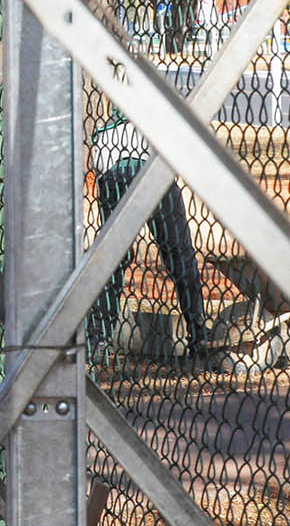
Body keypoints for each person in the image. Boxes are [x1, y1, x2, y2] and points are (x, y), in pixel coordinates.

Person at [89, 108, 211, 358]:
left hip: (112, 170)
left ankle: (98, 339)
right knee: (179, 253)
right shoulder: (156, 115)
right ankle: (199, 334)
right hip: (152, 168)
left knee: (113, 258)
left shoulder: (106, 128)